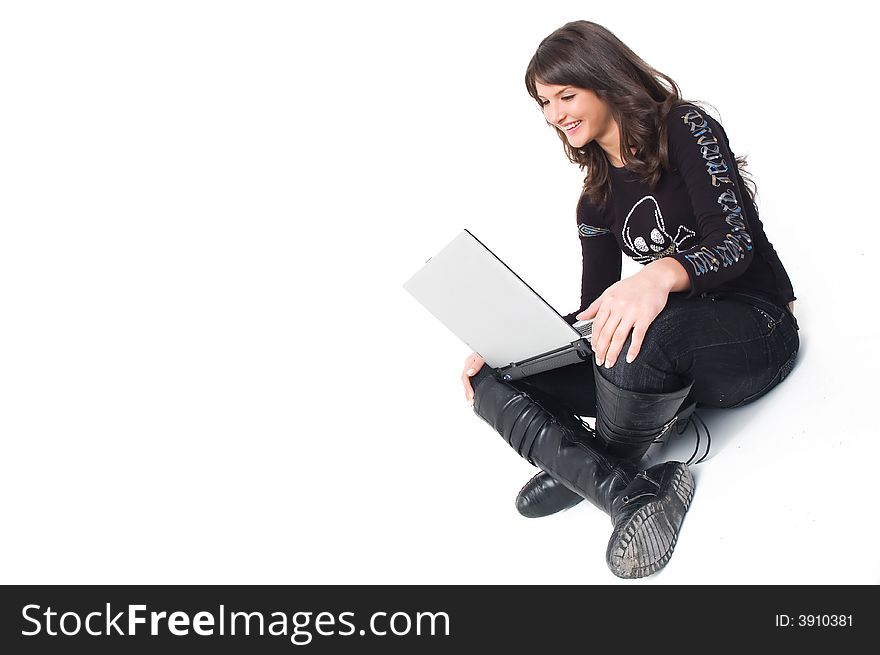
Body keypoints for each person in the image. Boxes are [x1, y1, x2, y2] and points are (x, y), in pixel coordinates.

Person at [460, 20, 800, 579]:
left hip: (755, 329)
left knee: (645, 336)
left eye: (566, 95)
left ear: (605, 80)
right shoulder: (595, 199)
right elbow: (597, 314)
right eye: (544, 103)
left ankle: (592, 465)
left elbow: (734, 246)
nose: (554, 115)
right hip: (671, 354)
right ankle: (627, 495)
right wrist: (514, 346)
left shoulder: (686, 128)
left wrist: (658, 275)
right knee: (493, 379)